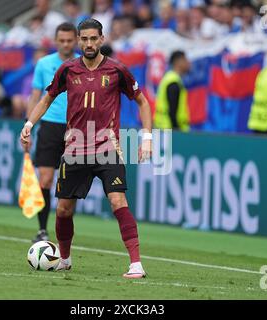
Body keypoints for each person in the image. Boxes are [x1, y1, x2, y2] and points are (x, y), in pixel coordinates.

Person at [20, 19, 152, 279]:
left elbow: (142, 102)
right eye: (85, 39)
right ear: (79, 40)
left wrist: (147, 137)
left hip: (107, 147)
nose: (89, 44)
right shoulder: (67, 70)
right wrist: (29, 124)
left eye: (94, 38)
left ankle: (136, 263)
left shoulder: (117, 70)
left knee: (117, 201)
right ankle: (65, 259)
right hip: (75, 149)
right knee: (63, 209)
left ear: (102, 39)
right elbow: (47, 98)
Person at [26, 23, 79, 243]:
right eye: (62, 40)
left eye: (69, 40)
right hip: (48, 125)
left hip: (75, 127)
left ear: (75, 40)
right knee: (45, 179)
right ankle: (42, 229)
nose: (66, 44)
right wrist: (29, 125)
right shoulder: (44, 64)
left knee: (70, 184)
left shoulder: (82, 64)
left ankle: (65, 232)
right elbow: (36, 95)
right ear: (56, 41)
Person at [154, 50, 190, 132]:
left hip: (164, 128)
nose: (188, 63)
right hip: (169, 130)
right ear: (178, 62)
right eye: (185, 60)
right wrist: (177, 130)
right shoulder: (173, 81)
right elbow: (172, 111)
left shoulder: (170, 78)